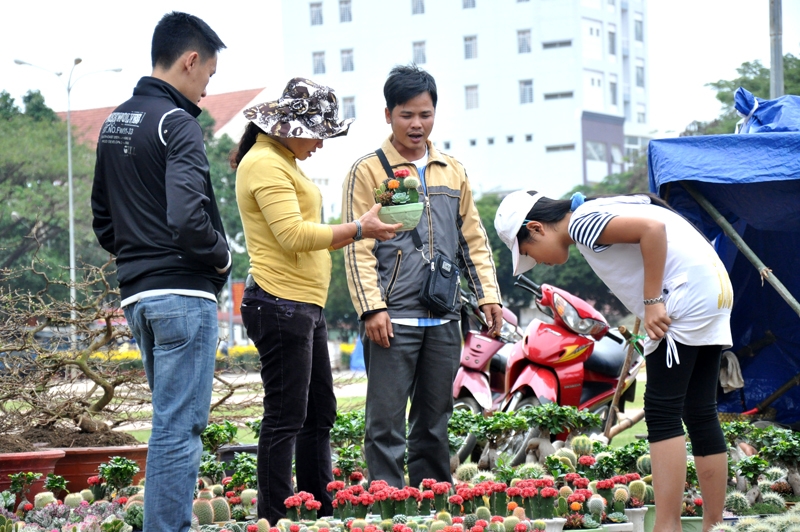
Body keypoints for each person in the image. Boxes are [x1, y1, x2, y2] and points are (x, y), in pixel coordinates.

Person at [494, 190, 733, 532]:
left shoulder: (581, 222)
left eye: (529, 252)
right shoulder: (600, 209)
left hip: (685, 296)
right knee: (699, 410)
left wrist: (651, 301)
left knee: (663, 410)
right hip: (714, 289)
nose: (538, 261)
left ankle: (667, 526)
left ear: (536, 227)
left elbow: (652, 230)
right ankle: (715, 524)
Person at [232, 77, 401, 523]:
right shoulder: (265, 164)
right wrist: (359, 230)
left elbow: (310, 236)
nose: (321, 143)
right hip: (279, 302)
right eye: (318, 132)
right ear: (289, 126)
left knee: (317, 413)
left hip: (302, 304)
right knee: (286, 417)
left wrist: (360, 227)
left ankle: (315, 509)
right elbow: (292, 236)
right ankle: (276, 516)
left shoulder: (282, 159)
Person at [91, 11, 229, 532]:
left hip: (139, 298)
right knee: (179, 428)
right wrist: (221, 256)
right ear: (191, 61)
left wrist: (138, 256)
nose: (206, 91)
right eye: (209, 77)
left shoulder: (116, 122)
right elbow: (189, 219)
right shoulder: (179, 124)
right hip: (183, 296)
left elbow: (104, 219)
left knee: (169, 422)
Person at [342, 65, 503, 489]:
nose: (417, 124)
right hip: (392, 321)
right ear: (387, 114)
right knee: (385, 427)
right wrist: (372, 308)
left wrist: (489, 296)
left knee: (434, 425)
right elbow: (357, 246)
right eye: (406, 115)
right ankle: (386, 507)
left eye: (425, 114)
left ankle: (433, 508)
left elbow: (473, 240)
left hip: (446, 318)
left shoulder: (452, 171)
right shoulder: (371, 172)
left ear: (435, 114)